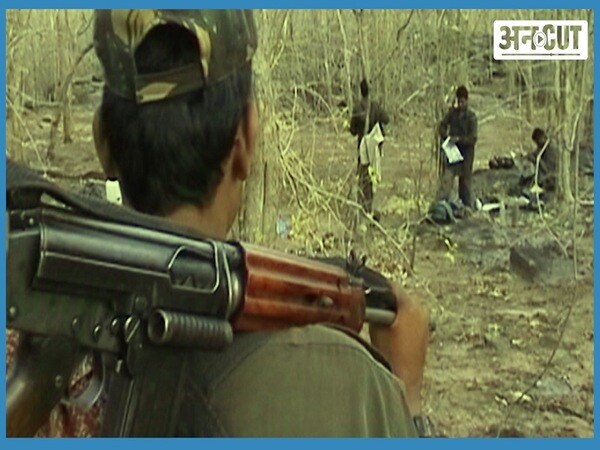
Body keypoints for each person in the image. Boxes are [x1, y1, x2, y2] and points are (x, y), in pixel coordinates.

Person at [8, 10, 429, 437]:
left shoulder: (21, 316)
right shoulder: (347, 383)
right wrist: (406, 396)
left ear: (102, 143)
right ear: (246, 138)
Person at [350, 78, 390, 217]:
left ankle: (363, 204)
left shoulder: (357, 108)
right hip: (374, 148)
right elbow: (387, 119)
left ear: (360, 92)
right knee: (372, 174)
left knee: (363, 174)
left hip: (362, 147)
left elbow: (353, 130)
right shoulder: (375, 107)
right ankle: (369, 204)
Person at [437, 85, 478, 209]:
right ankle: (440, 206)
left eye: (462, 102)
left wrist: (459, 139)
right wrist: (446, 137)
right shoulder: (452, 113)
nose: (460, 105)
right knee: (446, 180)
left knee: (465, 185)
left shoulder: (471, 117)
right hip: (453, 153)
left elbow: (473, 138)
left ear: (467, 101)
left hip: (466, 155)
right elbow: (441, 126)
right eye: (458, 102)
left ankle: (468, 208)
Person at [528, 127, 558, 191]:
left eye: (537, 142)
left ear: (542, 138)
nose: (537, 144)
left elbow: (548, 169)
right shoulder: (543, 146)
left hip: (552, 176)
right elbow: (537, 152)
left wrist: (537, 160)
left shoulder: (551, 149)